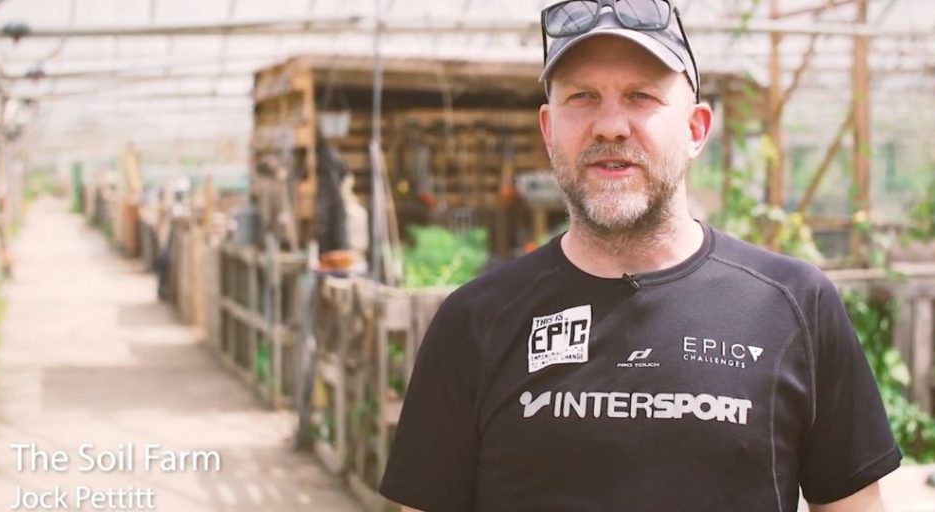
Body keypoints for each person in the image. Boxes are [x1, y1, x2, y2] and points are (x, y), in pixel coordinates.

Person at [379, 1, 901, 510]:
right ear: (548, 130)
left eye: (641, 96)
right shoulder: (475, 322)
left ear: (696, 130)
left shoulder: (794, 307)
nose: (610, 125)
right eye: (582, 96)